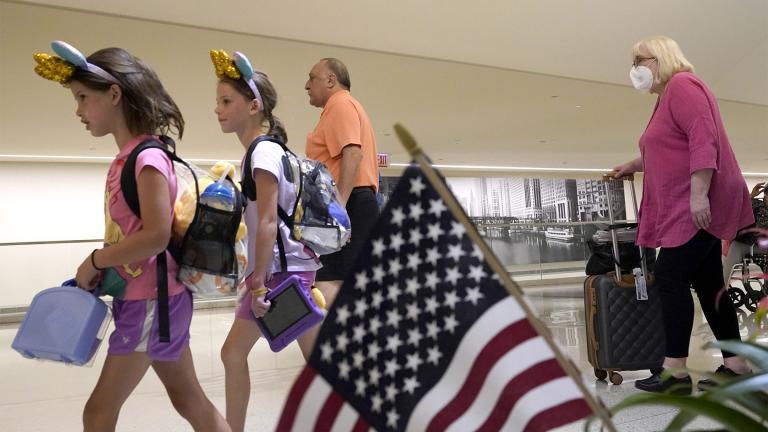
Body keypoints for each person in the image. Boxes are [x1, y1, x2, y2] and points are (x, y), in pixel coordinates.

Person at [34, 42, 230, 431]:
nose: (78, 111)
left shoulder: (147, 158)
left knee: (98, 412)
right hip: (151, 300)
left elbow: (156, 237)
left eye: (83, 97)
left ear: (115, 94)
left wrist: (94, 260)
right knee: (190, 402)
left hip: (151, 303)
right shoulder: (135, 157)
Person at [612, 36, 754, 394]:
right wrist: (632, 164)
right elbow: (667, 148)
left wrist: (698, 195)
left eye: (639, 61)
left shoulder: (683, 85)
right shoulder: (665, 99)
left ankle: (674, 371)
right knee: (708, 283)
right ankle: (736, 365)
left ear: (659, 58)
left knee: (670, 275)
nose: (635, 69)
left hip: (699, 201)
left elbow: (702, 138)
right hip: (689, 201)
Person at [212, 50, 322, 432]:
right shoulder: (270, 151)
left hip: (280, 273)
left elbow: (269, 221)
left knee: (232, 353)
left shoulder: (263, 152)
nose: (218, 109)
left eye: (227, 101)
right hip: (292, 268)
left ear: (254, 105)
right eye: (218, 102)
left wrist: (257, 282)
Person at [302, 57, 380, 322]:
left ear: (330, 80)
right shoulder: (341, 107)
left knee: (331, 280)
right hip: (352, 203)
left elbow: (352, 155)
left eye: (312, 78)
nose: (306, 85)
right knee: (329, 279)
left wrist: (338, 210)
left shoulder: (341, 104)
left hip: (351, 203)